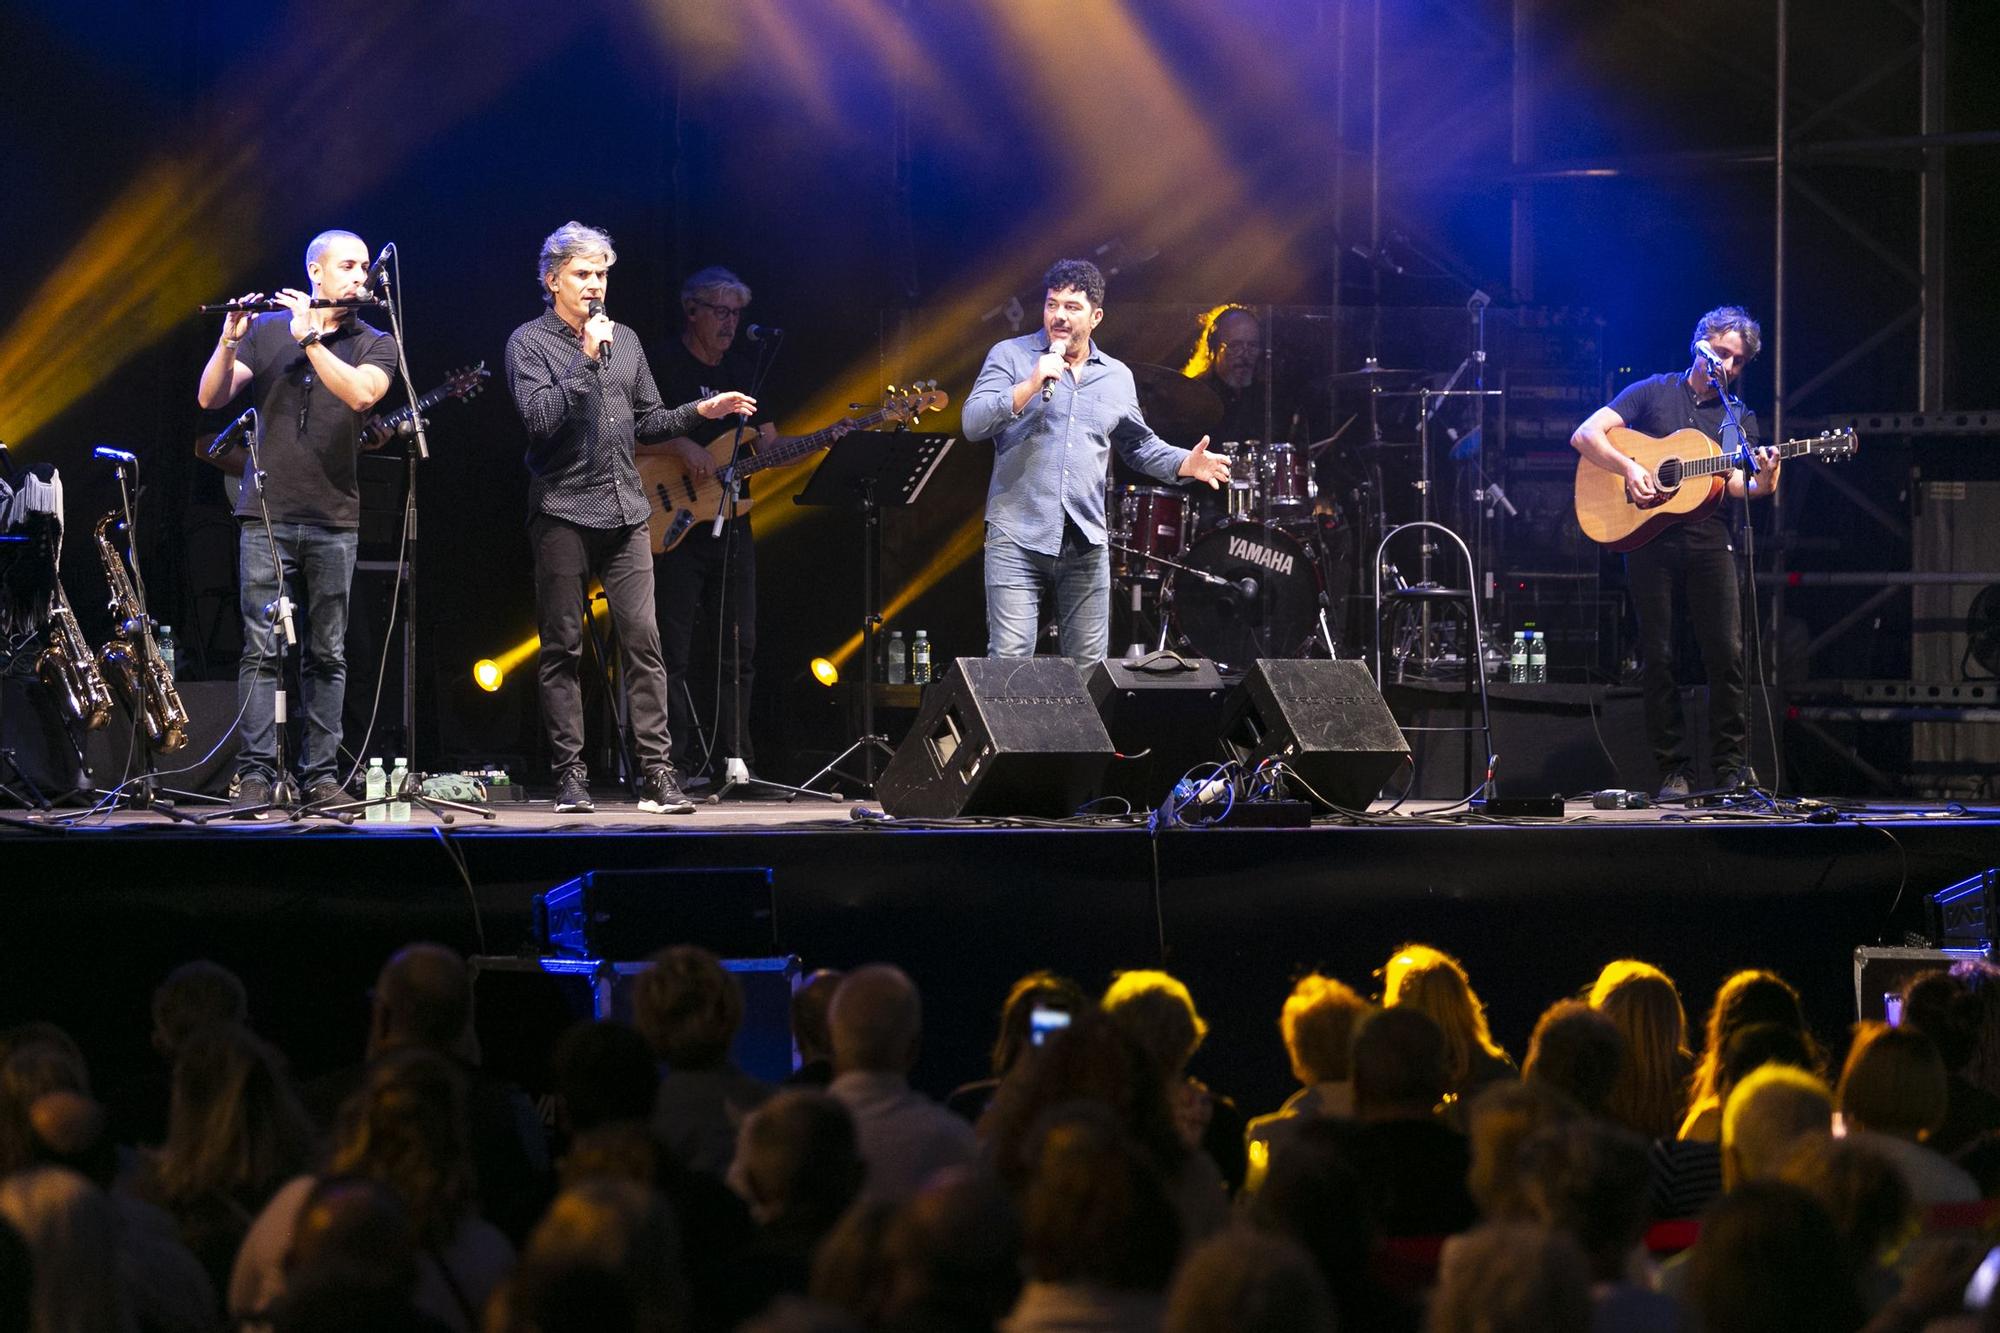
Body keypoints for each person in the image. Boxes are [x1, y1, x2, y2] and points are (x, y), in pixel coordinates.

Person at [503, 222, 755, 816]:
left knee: (646, 644)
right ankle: (570, 777)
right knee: (562, 646)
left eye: (602, 275)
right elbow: (541, 423)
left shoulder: (628, 341)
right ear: (552, 280)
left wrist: (701, 409)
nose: (595, 287)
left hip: (626, 512)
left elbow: (648, 423)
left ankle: (658, 776)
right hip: (563, 509)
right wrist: (586, 362)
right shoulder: (529, 343)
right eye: (583, 275)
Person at [197, 230, 398, 813]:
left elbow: (362, 396)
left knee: (328, 652)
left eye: (364, 266)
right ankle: (257, 773)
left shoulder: (376, 342)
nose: (360, 276)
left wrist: (309, 337)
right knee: (260, 651)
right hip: (266, 514)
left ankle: (320, 774)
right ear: (315, 271)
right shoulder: (264, 332)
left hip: (335, 516)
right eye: (348, 266)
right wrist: (229, 343)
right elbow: (211, 399)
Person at [964, 258, 1231, 662]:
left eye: (1072, 307)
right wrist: (1031, 384)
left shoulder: (1116, 377)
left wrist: (1185, 465)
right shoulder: (1012, 356)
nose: (1059, 316)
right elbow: (973, 422)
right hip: (1017, 535)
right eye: (1053, 304)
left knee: (1090, 667)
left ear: (1096, 316)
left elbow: (1139, 446)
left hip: (1085, 541)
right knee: (1010, 660)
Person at [641, 268, 847, 785]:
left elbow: (769, 448)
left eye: (736, 313)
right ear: (692, 310)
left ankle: (735, 759)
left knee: (740, 644)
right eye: (719, 311)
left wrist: (826, 437)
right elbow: (631, 432)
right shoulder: (662, 362)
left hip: (731, 519)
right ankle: (674, 760)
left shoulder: (745, 368)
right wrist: (682, 445)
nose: (730, 323)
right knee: (673, 644)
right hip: (676, 520)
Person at [1569, 306, 1782, 799]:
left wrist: (1765, 478)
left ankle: (1730, 771)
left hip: (1710, 542)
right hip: (1648, 540)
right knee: (1659, 657)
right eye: (1721, 354)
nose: (1727, 366)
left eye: (1738, 361)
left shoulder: (1736, 418)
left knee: (1727, 655)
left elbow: (1736, 482)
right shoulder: (1652, 392)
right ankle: (1673, 771)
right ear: (1700, 345)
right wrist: (1629, 469)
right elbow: (1585, 435)